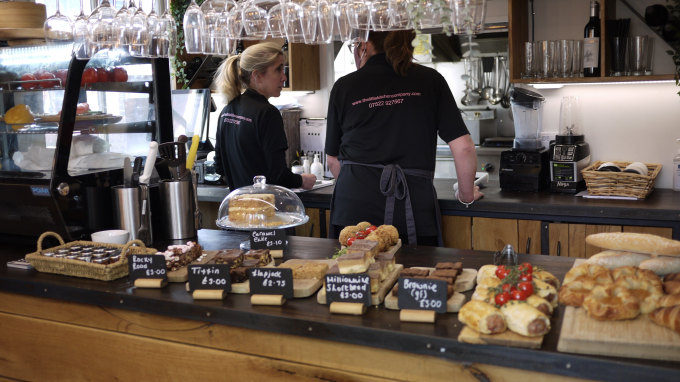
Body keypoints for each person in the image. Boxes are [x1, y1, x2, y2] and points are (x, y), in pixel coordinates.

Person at [325, 31, 484, 246]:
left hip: (354, 211)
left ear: (364, 45)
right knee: (413, 276)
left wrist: (362, 189)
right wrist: (467, 196)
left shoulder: (343, 86)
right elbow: (464, 147)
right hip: (411, 210)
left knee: (356, 274)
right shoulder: (430, 80)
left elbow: (333, 161)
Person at [213, 42, 316, 190]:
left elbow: (219, 167)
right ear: (258, 76)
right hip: (263, 209)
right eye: (278, 70)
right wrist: (301, 180)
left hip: (237, 208)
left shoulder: (227, 110)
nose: (284, 77)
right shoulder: (268, 113)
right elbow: (279, 176)